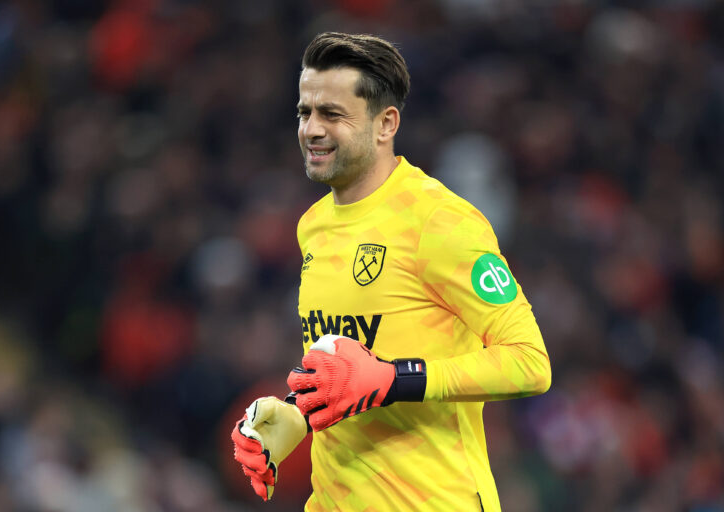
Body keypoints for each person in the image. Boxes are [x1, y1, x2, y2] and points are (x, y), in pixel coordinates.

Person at [231, 32, 551, 512]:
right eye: (305, 112)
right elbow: (350, 372)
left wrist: (396, 378)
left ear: (385, 124)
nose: (312, 129)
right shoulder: (313, 227)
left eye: (332, 114)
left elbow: (530, 363)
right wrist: (296, 416)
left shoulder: (439, 222)